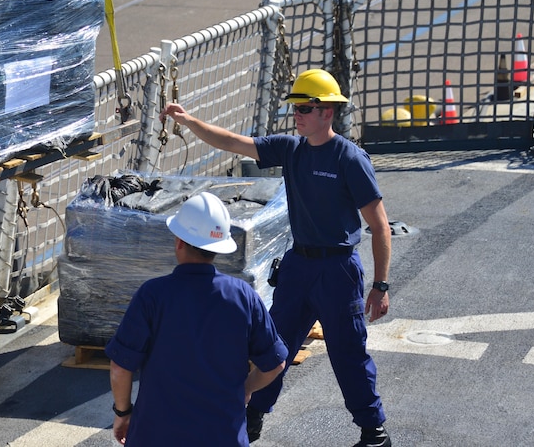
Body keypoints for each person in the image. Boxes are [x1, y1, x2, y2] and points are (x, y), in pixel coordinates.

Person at [160, 69, 393, 447]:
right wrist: (189, 122)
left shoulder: (350, 159)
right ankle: (251, 417)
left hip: (337, 270)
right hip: (298, 266)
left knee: (347, 353)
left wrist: (381, 286)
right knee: (272, 346)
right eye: (296, 108)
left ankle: (373, 431)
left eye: (304, 108)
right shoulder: (291, 148)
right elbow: (232, 142)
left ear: (327, 112)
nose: (297, 115)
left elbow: (380, 227)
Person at [105, 191, 288, 446]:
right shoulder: (242, 296)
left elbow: (120, 367)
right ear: (218, 248)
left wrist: (123, 413)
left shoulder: (152, 296)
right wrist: (245, 389)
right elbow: (275, 364)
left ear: (179, 241)